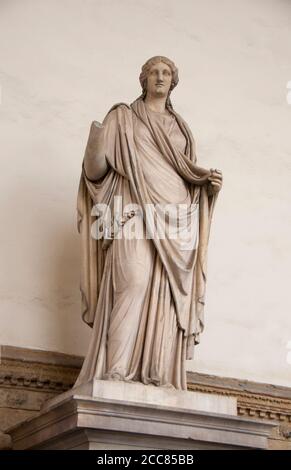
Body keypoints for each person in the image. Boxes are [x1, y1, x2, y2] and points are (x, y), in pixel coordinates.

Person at [75, 56, 222, 390]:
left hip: (178, 220)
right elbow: (96, 173)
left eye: (166, 72)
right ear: (142, 79)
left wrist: (207, 186)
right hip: (134, 212)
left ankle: (158, 374)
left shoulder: (181, 127)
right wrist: (95, 143)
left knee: (168, 298)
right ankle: (116, 370)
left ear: (173, 82)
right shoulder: (123, 118)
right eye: (153, 72)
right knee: (134, 283)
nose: (160, 77)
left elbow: (186, 173)